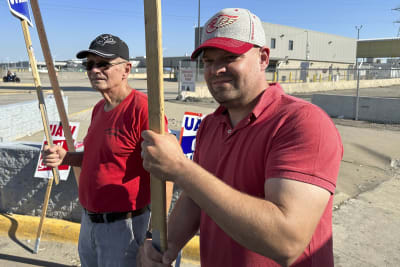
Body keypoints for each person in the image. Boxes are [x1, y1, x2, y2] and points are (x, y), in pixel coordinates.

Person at [138, 8, 342, 267]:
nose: (216, 70)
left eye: (230, 57)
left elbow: (286, 241)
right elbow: (194, 198)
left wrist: (181, 169)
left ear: (263, 58)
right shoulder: (211, 125)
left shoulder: (302, 122)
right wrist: (164, 248)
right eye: (209, 61)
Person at [42, 33, 171, 267]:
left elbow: (166, 174)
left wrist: (155, 235)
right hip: (89, 224)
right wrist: (66, 157)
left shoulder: (143, 111)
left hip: (125, 229)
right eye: (89, 65)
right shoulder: (99, 108)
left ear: (126, 69)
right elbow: (99, 158)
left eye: (103, 64)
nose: (94, 70)